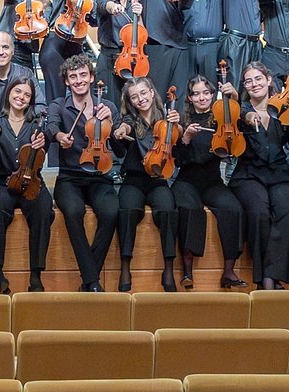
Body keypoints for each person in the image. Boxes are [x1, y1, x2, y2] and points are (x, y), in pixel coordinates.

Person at [50, 54, 120, 293]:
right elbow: (51, 127)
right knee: (73, 211)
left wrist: (112, 122)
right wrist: (60, 137)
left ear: (91, 78)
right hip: (70, 177)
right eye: (73, 77)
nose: (78, 80)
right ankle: (92, 281)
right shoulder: (59, 106)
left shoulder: (107, 106)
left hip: (100, 176)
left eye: (83, 75)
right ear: (67, 82)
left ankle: (89, 279)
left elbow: (120, 148)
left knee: (111, 212)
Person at [233, 60, 289, 289]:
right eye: (248, 81)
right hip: (248, 174)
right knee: (259, 212)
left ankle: (273, 275)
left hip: (278, 172)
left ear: (269, 80)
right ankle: (265, 278)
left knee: (288, 209)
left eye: (258, 79)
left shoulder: (283, 108)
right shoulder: (240, 111)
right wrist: (244, 116)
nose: (254, 84)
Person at [173, 74, 246, 289]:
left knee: (233, 209)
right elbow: (176, 160)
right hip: (186, 181)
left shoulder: (221, 117)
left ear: (213, 94)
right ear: (190, 98)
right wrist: (185, 138)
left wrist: (234, 98)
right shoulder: (183, 121)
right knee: (189, 209)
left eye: (206, 92)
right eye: (196, 94)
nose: (202, 97)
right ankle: (188, 272)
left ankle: (229, 272)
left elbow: (236, 130)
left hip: (213, 180)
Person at [0, 74, 51, 293]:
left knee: (43, 208)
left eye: (27, 94)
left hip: (31, 180)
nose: (21, 97)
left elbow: (43, 150)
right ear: (9, 92)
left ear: (31, 100)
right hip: (3, 181)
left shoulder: (36, 125)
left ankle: (36, 275)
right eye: (18, 91)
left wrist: (43, 142)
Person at [111, 78, 181, 292]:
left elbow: (178, 153)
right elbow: (122, 145)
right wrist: (119, 133)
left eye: (143, 93)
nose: (140, 99)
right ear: (130, 101)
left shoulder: (167, 119)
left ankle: (168, 269)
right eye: (134, 96)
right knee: (128, 210)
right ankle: (125, 265)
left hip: (158, 179)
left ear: (152, 93)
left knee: (169, 210)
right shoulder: (129, 120)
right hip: (134, 179)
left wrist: (178, 127)